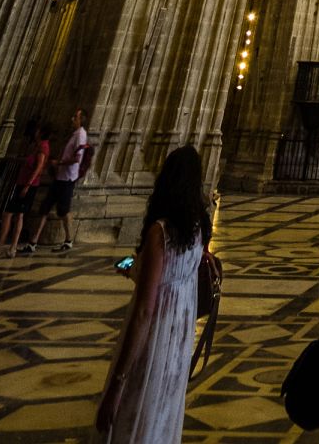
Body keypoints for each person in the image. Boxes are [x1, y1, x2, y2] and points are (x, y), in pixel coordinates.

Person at [93, 143, 210, 442]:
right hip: (179, 337)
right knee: (160, 412)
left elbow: (146, 309)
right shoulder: (198, 229)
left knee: (135, 409)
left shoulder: (162, 231)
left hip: (156, 334)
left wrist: (117, 382)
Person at [24, 106, 87, 252]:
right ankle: (33, 242)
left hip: (67, 178)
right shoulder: (75, 134)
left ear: (81, 120)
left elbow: (77, 158)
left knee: (64, 211)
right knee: (45, 208)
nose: (72, 119)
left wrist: (58, 163)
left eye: (75, 117)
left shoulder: (80, 135)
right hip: (60, 177)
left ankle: (69, 240)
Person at [0, 121, 50, 258]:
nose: (35, 132)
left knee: (9, 213)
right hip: (24, 183)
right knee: (17, 215)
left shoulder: (42, 147)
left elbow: (39, 168)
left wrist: (27, 185)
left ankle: (1, 246)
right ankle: (11, 247)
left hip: (28, 186)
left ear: (41, 132)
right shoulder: (36, 146)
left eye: (37, 130)